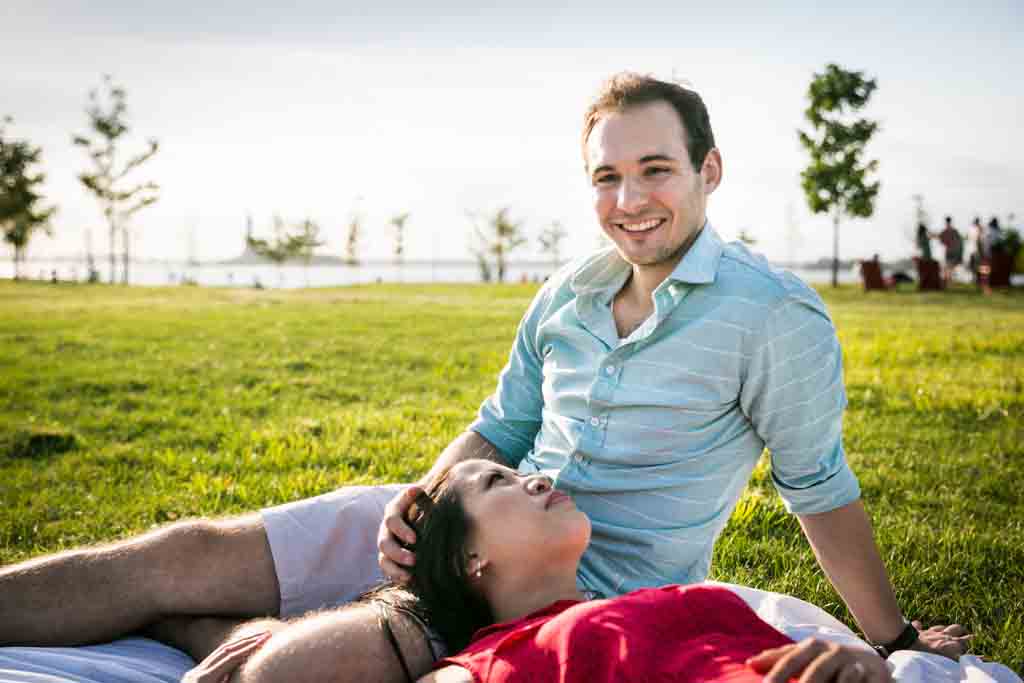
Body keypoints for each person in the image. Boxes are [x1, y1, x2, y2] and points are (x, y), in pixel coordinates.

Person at [0, 73, 968, 681]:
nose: (628, 200)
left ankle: (217, 632)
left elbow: (818, 486)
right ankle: (177, 612)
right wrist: (420, 497)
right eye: (604, 175)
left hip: (572, 587)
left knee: (315, 659)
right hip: (472, 514)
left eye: (656, 169)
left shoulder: (771, 313)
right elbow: (498, 425)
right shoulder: (569, 292)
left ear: (709, 170)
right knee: (180, 546)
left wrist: (887, 635)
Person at [182, 459, 1016, 683]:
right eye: (499, 482)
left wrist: (871, 659)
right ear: (471, 560)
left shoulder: (695, 598)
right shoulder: (492, 660)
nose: (536, 477)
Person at [937, 216, 962, 285]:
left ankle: (948, 280)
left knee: (948, 266)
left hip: (948, 250)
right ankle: (948, 280)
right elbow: (958, 240)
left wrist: (946, 243)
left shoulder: (945, 231)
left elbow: (941, 240)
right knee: (950, 266)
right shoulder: (953, 231)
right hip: (952, 250)